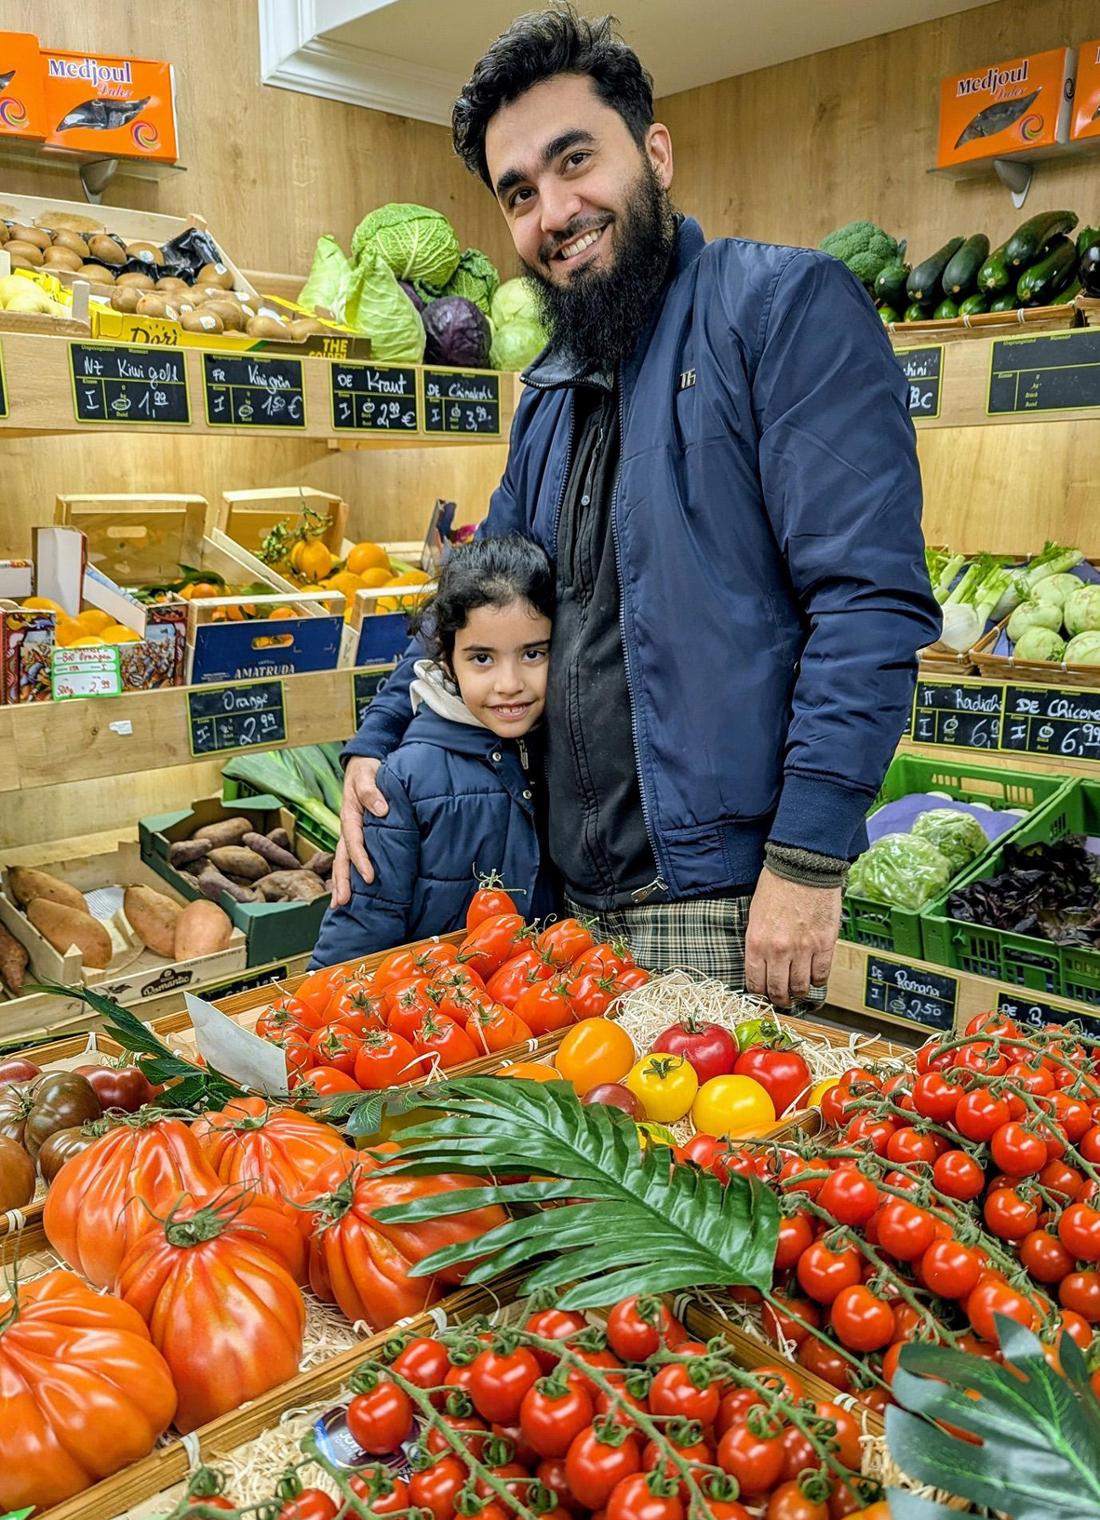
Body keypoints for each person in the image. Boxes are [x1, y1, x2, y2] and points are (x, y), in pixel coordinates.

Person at [334, 10, 941, 1005]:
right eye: (518, 192)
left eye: (576, 159)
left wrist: (804, 859)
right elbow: (475, 589)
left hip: (727, 903)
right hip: (566, 910)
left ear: (654, 152)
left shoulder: (781, 309)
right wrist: (376, 739)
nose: (554, 210)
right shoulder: (551, 392)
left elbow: (865, 603)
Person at [310, 536, 556, 968]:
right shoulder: (404, 779)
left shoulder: (560, 755)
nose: (509, 682)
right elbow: (361, 925)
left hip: (531, 1022)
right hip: (431, 1022)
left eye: (532, 653)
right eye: (482, 659)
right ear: (446, 660)